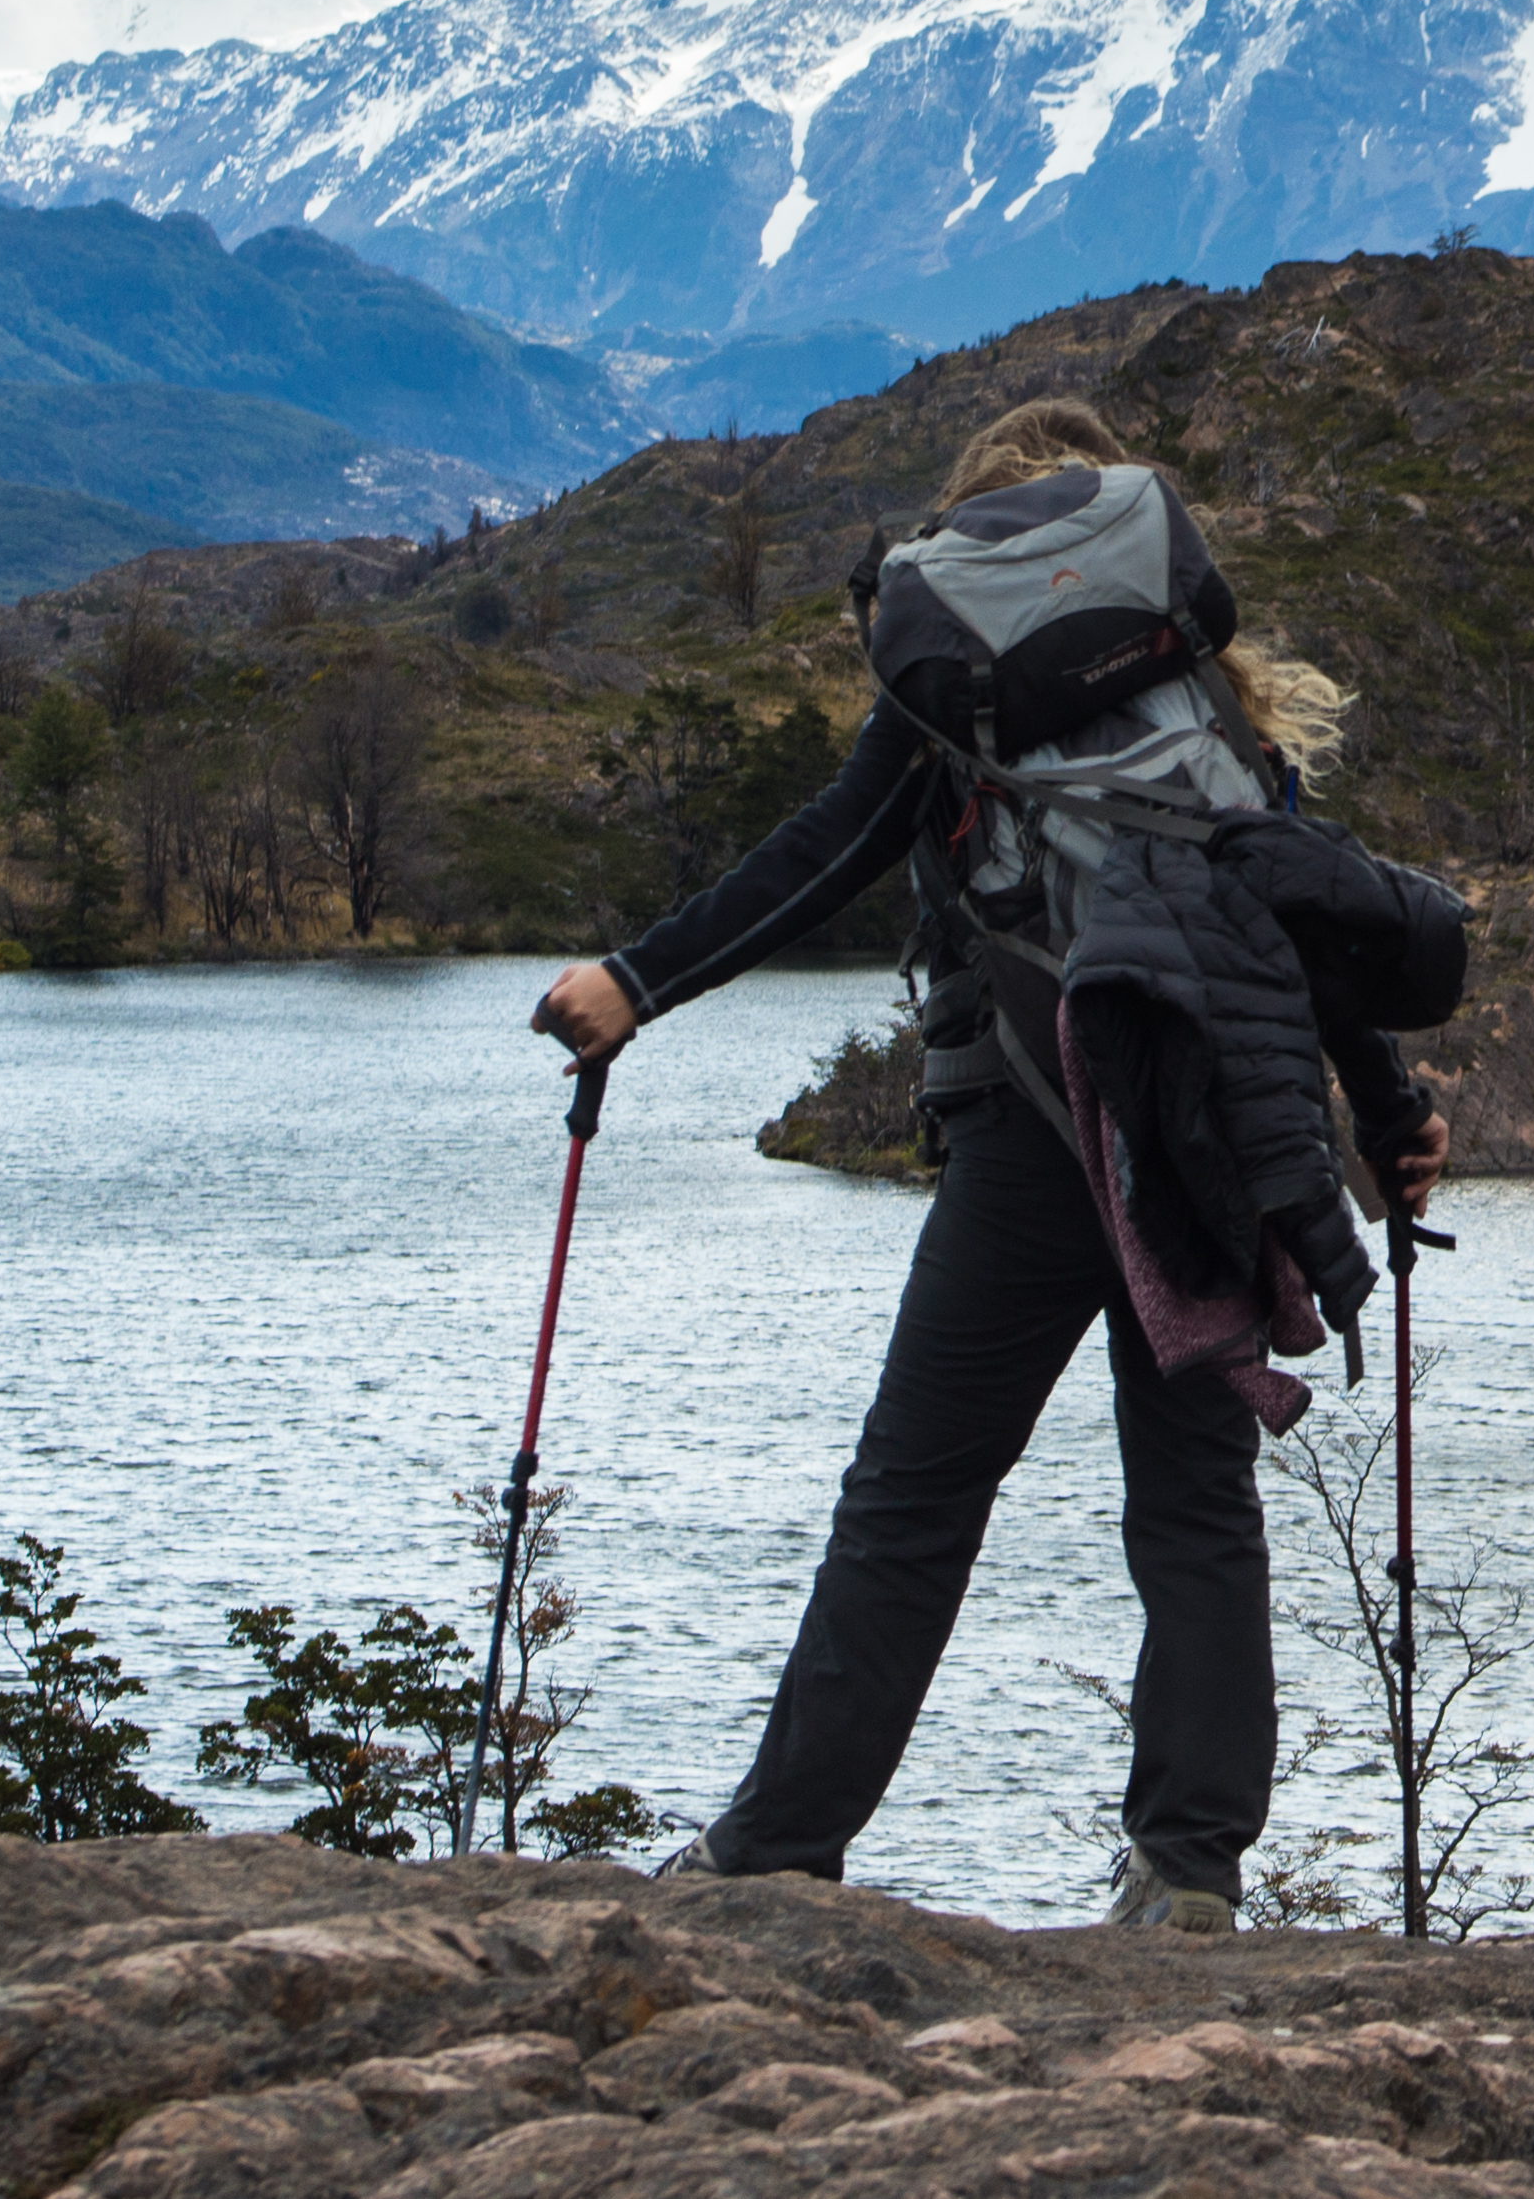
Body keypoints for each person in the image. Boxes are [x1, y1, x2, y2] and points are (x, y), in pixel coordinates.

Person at [528, 397, 1453, 1928]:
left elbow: (821, 850)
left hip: (1031, 1136)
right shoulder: (1207, 705)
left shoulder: (953, 690)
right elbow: (1293, 923)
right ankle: (1189, 1874)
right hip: (1204, 1139)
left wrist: (636, 977)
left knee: (913, 1497)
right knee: (1196, 1500)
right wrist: (1387, 1104)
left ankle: (774, 1858)